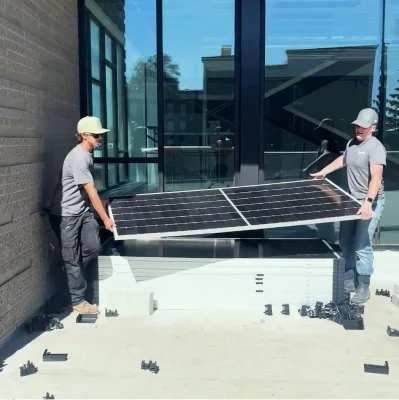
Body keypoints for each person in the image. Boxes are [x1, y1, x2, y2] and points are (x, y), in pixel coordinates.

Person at [310, 108, 386, 304]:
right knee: (345, 241)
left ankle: (363, 286)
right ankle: (348, 280)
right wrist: (324, 172)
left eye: (364, 126)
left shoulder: (376, 148)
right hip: (351, 200)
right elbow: (343, 159)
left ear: (373, 128)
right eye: (357, 125)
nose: (359, 129)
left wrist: (368, 203)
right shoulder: (352, 144)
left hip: (370, 201)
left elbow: (376, 178)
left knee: (362, 244)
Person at [49, 116, 116, 314]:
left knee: (93, 247)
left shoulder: (87, 154)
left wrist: (97, 202)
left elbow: (87, 190)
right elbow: (91, 189)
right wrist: (104, 217)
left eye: (100, 135)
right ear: (84, 135)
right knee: (72, 258)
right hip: (67, 216)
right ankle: (77, 300)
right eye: (96, 135)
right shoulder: (78, 157)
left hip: (82, 211)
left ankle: (72, 273)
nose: (100, 138)